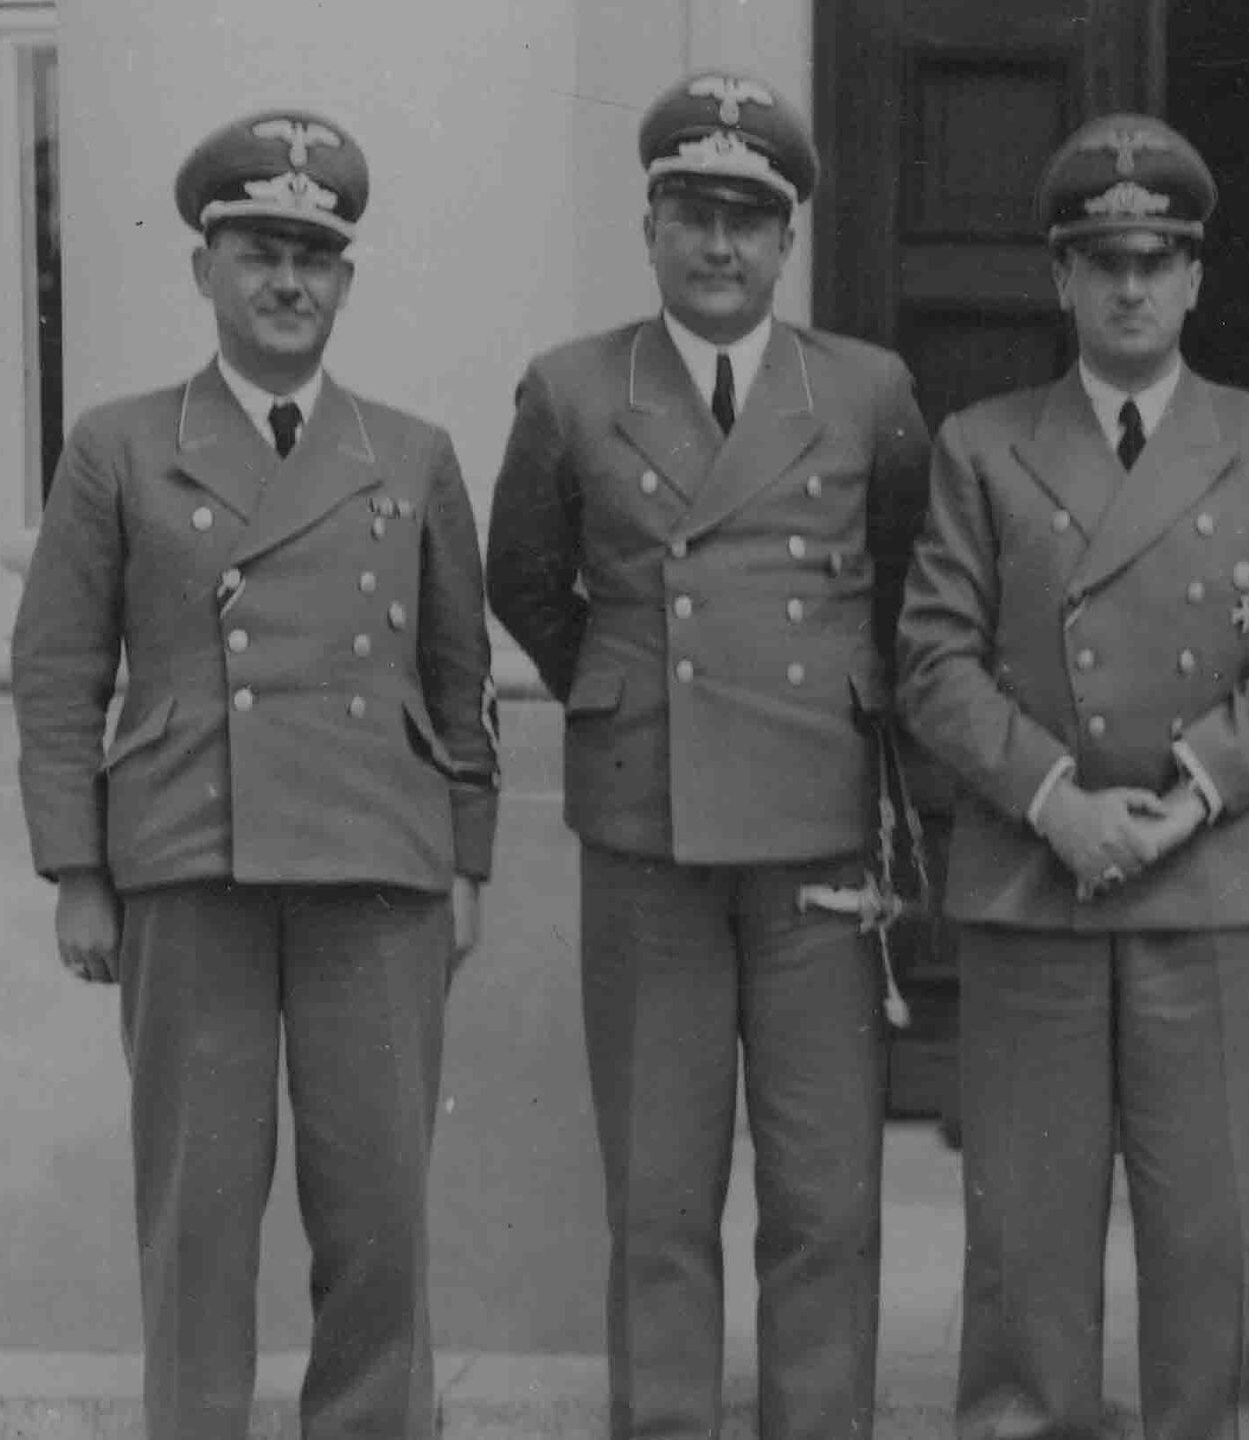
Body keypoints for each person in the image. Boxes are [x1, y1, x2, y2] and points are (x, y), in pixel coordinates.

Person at [12, 109, 498, 1439]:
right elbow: (59, 677)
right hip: (189, 857)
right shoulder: (119, 446)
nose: (287, 282)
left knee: (380, 1209)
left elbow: (459, 686)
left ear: (344, 278)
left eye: (313, 255)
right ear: (204, 270)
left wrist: (463, 859)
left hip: (376, 864)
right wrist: (76, 873)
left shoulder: (409, 454)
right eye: (258, 252)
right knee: (199, 1212)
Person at [482, 71, 930, 1440]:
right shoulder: (571, 390)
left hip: (813, 840)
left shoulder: (865, 389)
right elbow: (525, 579)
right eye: (694, 213)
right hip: (650, 839)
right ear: (652, 227)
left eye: (750, 217)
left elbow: (909, 586)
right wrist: (620, 697)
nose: (721, 245)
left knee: (823, 1193)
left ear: (788, 237)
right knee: (661, 1195)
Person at [895, 112, 1249, 1440]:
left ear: (1196, 278)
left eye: (1158, 261)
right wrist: (1057, 801)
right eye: (1105, 263)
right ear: (1061, 280)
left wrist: (1195, 788)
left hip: (1199, 876)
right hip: (1039, 878)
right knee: (1028, 1236)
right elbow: (934, 659)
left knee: (1209, 1232)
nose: (1133, 287)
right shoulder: (984, 445)